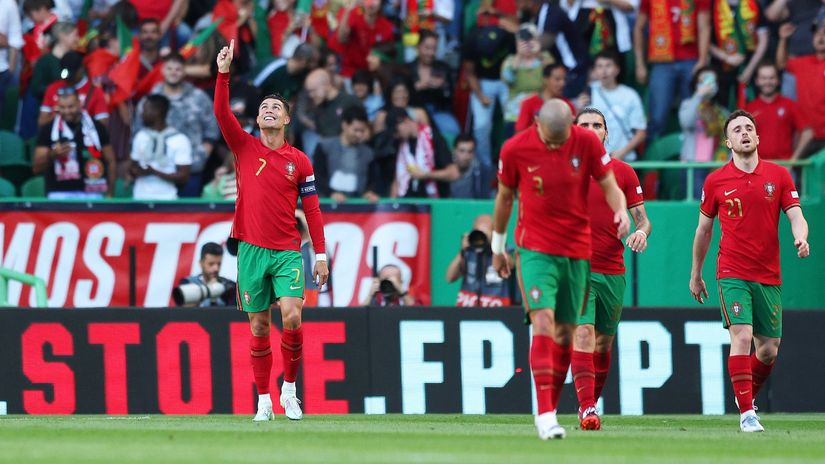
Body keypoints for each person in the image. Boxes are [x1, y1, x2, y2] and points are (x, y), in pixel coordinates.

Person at [492, 99, 630, 439]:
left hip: (577, 252)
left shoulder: (583, 143)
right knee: (543, 321)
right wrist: (498, 246)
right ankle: (546, 413)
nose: (556, 145)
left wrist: (622, 211)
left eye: (561, 139)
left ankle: (554, 406)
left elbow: (610, 183)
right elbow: (505, 198)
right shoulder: (515, 149)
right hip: (535, 250)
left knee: (567, 335)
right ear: (537, 123)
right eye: (550, 140)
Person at [214, 40, 329, 422]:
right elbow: (221, 112)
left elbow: (311, 208)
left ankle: (290, 390)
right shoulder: (243, 147)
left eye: (275, 107)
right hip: (250, 250)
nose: (267, 109)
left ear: (286, 120)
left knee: (292, 316)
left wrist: (322, 255)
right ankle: (264, 399)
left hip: (287, 251)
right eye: (264, 106)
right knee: (260, 325)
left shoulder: (299, 162)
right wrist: (223, 73)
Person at [689, 109, 810, 432]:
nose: (744, 133)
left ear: (757, 137)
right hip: (732, 271)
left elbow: (795, 215)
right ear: (728, 141)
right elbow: (703, 231)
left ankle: (745, 396)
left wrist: (800, 236)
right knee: (741, 335)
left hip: (768, 274)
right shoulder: (716, 181)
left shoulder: (780, 176)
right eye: (737, 129)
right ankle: (747, 414)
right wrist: (696, 273)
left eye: (749, 128)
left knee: (768, 350)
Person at [571, 107, 651, 426]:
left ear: (606, 133)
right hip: (576, 268)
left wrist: (641, 232)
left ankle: (592, 402)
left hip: (612, 268)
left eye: (597, 125)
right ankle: (587, 407)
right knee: (584, 332)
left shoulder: (623, 172)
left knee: (603, 341)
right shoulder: (564, 170)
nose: (591, 129)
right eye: (585, 124)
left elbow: (643, 219)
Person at [134, 53, 220, 197]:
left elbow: (212, 127)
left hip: (192, 166)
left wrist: (203, 153)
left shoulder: (198, 97)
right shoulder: (151, 98)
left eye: (178, 69)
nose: (173, 72)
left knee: (189, 213)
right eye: (170, 68)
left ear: (184, 71)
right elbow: (139, 129)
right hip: (156, 171)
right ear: (162, 70)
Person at [634, 0, 711, 141]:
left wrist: (702, 61)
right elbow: (639, 27)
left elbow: (704, 26)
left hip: (691, 61)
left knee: (694, 114)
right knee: (657, 115)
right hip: (661, 62)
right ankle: (653, 158)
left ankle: (694, 159)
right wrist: (639, 64)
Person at [33, 88, 116, 199]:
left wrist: (110, 194)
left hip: (92, 192)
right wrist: (53, 155)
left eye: (71, 107)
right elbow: (36, 168)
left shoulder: (96, 127)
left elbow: (111, 161)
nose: (67, 111)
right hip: (59, 193)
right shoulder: (48, 129)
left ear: (79, 103)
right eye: (62, 107)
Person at [583, 51, 647, 160]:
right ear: (594, 71)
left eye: (608, 65)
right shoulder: (588, 91)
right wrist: (577, 107)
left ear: (617, 69)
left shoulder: (630, 95)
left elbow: (641, 133)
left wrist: (621, 153)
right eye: (599, 66)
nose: (604, 71)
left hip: (624, 160)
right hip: (595, 161)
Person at [776, 14, 825, 157]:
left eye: (824, 33)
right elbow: (781, 63)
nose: (820, 37)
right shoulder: (802, 63)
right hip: (807, 136)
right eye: (817, 33)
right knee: (804, 177)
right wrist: (783, 39)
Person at [743, 62, 813, 160]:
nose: (767, 82)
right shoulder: (748, 109)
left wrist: (793, 161)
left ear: (778, 80)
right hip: (757, 168)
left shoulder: (789, 105)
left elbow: (808, 133)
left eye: (771, 78)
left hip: (784, 167)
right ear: (757, 81)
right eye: (763, 78)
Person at [446, 213, 519, 307]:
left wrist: (496, 245)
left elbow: (511, 263)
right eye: (478, 233)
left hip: (498, 311)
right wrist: (462, 251)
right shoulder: (469, 252)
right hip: (468, 309)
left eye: (485, 234)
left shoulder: (505, 251)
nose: (481, 239)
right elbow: (450, 277)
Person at [679, 66, 729, 199]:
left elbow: (728, 139)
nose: (707, 84)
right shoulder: (688, 104)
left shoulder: (722, 112)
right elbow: (686, 121)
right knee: (698, 207)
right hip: (693, 165)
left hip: (717, 166)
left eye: (711, 80)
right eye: (702, 81)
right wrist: (699, 95)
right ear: (695, 84)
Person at [313, 104, 380, 203]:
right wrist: (331, 193)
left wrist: (369, 192)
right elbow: (317, 177)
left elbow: (372, 180)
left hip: (358, 208)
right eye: (356, 130)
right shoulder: (324, 147)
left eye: (362, 131)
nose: (359, 135)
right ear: (344, 125)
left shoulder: (368, 153)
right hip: (327, 206)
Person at [130, 94, 192, 200]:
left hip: (167, 199)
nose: (141, 114)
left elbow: (184, 177)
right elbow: (132, 167)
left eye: (145, 110)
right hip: (140, 198)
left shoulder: (179, 139)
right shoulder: (141, 136)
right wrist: (136, 171)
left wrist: (154, 172)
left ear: (156, 112)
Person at [39, 51, 109, 127]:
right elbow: (42, 122)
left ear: (81, 69)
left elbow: (103, 124)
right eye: (66, 74)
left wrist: (80, 116)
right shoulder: (53, 88)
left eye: (72, 74)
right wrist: (60, 114)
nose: (69, 78)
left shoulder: (94, 91)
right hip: (57, 137)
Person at [514, 63, 575, 133]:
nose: (563, 83)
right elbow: (519, 133)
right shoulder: (529, 103)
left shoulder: (568, 105)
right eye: (557, 79)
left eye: (565, 79)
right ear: (546, 80)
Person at [177, 242, 237, 307]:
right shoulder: (188, 283)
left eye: (219, 264)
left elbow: (235, 312)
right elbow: (184, 311)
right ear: (201, 263)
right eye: (211, 264)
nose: (216, 269)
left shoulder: (229, 286)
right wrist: (209, 290)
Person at [449, 134, 492, 199]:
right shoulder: (445, 168)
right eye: (462, 151)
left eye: (470, 152)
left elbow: (484, 199)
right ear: (454, 151)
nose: (466, 156)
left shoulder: (481, 171)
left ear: (474, 153)